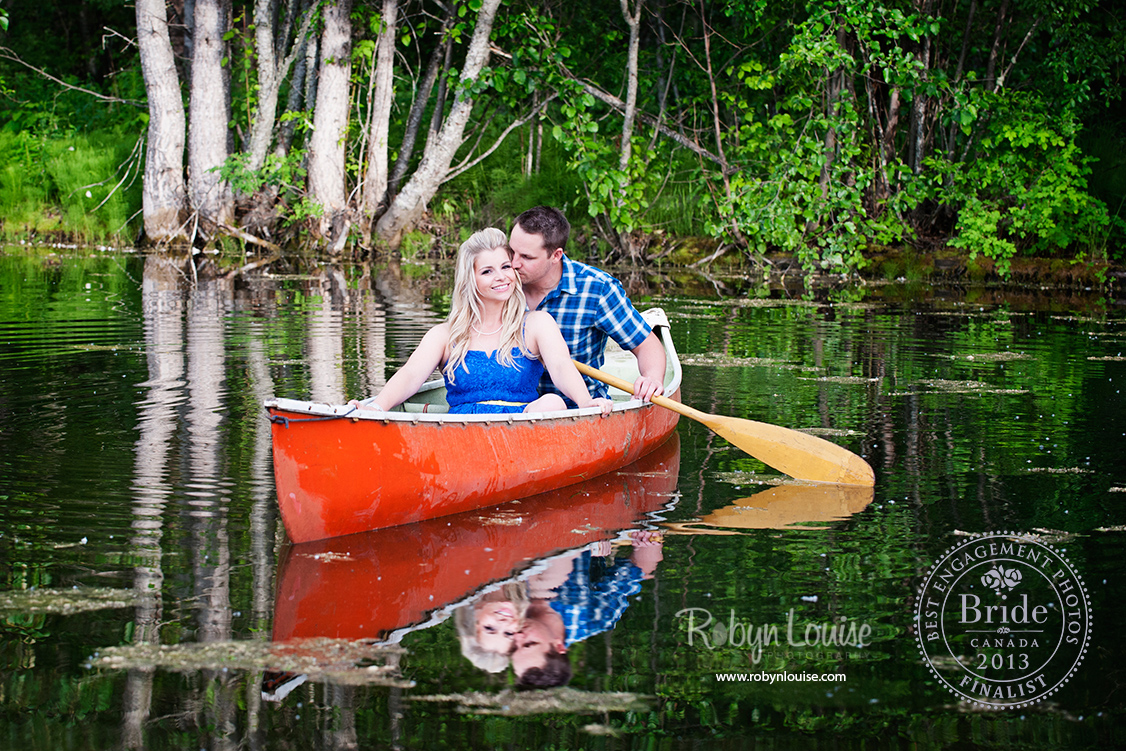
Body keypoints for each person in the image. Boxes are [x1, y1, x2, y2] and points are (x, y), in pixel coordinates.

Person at [352, 228, 613, 415]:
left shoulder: (536, 324)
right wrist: (377, 406)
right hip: (464, 432)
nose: (501, 277)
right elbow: (410, 376)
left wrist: (585, 400)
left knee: (553, 402)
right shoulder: (445, 335)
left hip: (524, 428)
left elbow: (561, 367)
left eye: (505, 267)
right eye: (487, 271)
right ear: (471, 279)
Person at [508, 206, 666, 403]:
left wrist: (651, 378)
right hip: (514, 410)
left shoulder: (597, 289)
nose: (513, 264)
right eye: (511, 251)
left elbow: (646, 345)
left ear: (556, 255)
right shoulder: (501, 284)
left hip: (582, 409)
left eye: (526, 257)